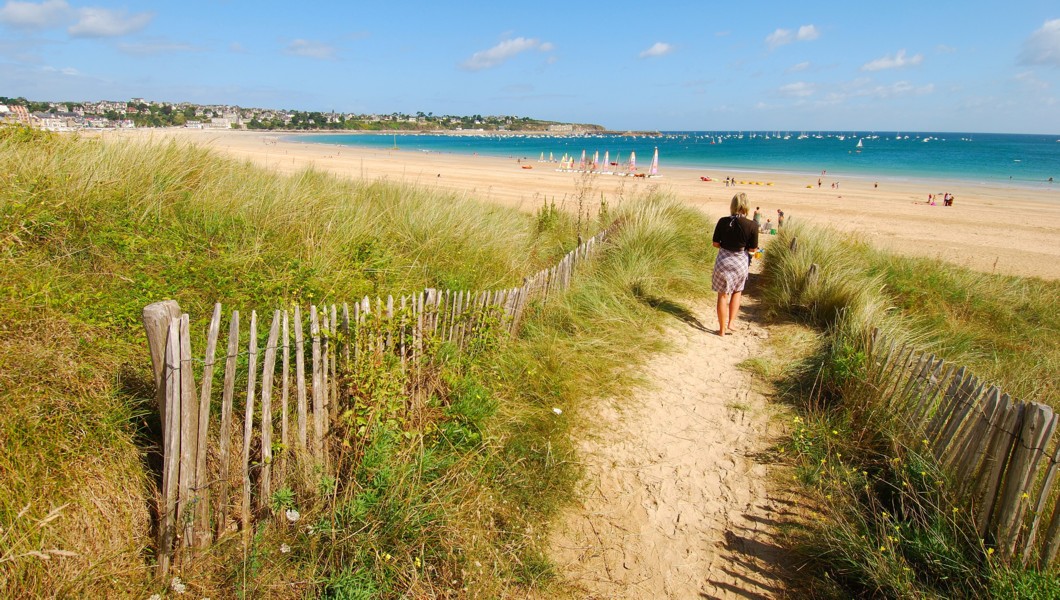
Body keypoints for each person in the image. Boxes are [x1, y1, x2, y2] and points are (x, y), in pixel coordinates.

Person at [712, 193, 759, 337]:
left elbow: (715, 244)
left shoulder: (723, 221)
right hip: (739, 262)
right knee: (737, 292)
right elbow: (752, 249)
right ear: (747, 206)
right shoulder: (752, 225)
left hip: (723, 260)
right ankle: (731, 323)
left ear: (733, 205)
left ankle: (721, 330)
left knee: (722, 295)